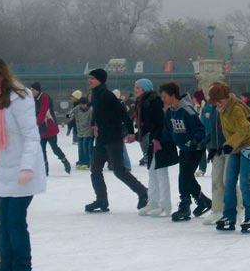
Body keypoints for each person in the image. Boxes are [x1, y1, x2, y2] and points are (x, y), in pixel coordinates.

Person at [0, 58, 46, 271]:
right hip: (7, 169)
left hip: (23, 171)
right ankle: (5, 270)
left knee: (15, 221)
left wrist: (27, 167)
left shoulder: (20, 97)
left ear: (1, 75)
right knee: (4, 220)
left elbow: (31, 135)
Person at [85, 68, 148, 213]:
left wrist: (131, 132)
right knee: (95, 169)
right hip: (101, 139)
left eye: (92, 78)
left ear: (100, 80)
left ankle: (143, 192)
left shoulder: (108, 95)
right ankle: (101, 200)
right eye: (90, 78)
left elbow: (123, 114)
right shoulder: (95, 94)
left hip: (113, 138)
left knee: (119, 171)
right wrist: (93, 123)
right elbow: (96, 111)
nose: (90, 81)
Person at [208, 82, 250, 233]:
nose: (217, 105)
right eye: (215, 102)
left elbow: (244, 129)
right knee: (229, 182)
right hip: (235, 147)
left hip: (248, 146)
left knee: (244, 181)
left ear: (225, 98)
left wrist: (230, 144)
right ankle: (229, 216)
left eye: (219, 101)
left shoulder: (236, 109)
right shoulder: (222, 109)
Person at [159, 82, 212, 222]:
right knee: (186, 177)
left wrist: (194, 141)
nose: (163, 99)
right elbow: (168, 131)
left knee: (184, 176)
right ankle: (202, 201)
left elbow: (201, 129)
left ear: (172, 95)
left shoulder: (187, 110)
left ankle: (185, 205)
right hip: (183, 148)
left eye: (164, 96)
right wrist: (159, 141)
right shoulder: (170, 112)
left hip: (195, 149)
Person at [134, 78, 178, 217]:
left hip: (161, 141)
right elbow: (148, 124)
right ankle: (153, 201)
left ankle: (164, 204)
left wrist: (156, 138)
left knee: (160, 172)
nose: (135, 90)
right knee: (152, 171)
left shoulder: (154, 102)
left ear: (145, 89)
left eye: (137, 87)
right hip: (154, 140)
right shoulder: (144, 102)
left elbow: (158, 123)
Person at [199, 93, 243, 226]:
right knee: (216, 180)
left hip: (230, 149)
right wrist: (205, 143)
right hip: (216, 149)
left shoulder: (233, 107)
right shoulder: (213, 108)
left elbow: (239, 129)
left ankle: (238, 207)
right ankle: (217, 210)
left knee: (227, 180)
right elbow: (212, 129)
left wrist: (231, 144)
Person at [30, 82, 71, 176]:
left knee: (55, 148)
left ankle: (65, 162)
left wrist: (36, 123)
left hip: (49, 127)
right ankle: (45, 170)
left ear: (37, 90)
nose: (31, 91)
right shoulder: (33, 99)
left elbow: (43, 111)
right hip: (40, 129)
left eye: (33, 89)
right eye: (31, 89)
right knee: (41, 150)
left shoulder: (44, 97)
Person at [73, 97, 94, 169]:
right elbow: (68, 115)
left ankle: (87, 162)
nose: (82, 106)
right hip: (80, 132)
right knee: (80, 148)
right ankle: (81, 161)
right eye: (81, 104)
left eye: (84, 104)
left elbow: (92, 121)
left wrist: (94, 130)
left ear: (86, 104)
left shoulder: (90, 110)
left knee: (86, 147)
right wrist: (74, 110)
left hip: (88, 132)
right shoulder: (77, 109)